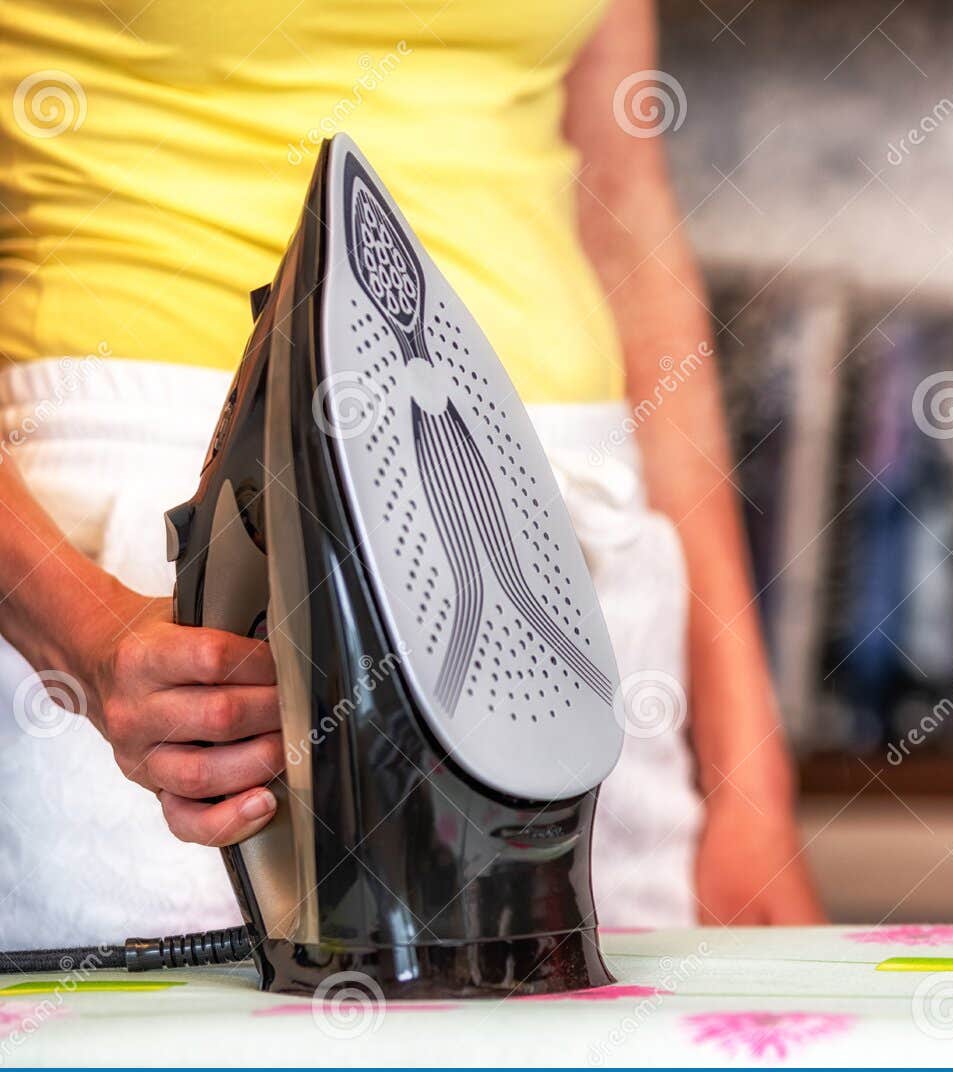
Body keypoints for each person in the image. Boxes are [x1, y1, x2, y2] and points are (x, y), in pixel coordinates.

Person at [0, 0, 823, 945]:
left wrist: (749, 783)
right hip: (176, 565)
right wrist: (81, 631)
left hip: (567, 559)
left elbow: (622, 198)